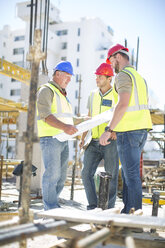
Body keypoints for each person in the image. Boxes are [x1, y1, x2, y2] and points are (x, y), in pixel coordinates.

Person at [100, 44, 152, 214]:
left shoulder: (123, 76)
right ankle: (128, 210)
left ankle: (135, 214)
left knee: (131, 176)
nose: (110, 65)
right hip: (141, 130)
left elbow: (123, 105)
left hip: (129, 131)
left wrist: (109, 129)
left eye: (111, 60)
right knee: (131, 176)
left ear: (118, 57)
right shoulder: (139, 77)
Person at [36, 61, 78, 210]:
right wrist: (65, 127)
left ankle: (53, 205)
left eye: (70, 77)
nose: (69, 79)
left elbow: (67, 118)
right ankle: (50, 208)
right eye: (67, 76)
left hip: (63, 139)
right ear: (58, 74)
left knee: (60, 178)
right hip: (51, 139)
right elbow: (45, 115)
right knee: (52, 176)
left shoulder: (62, 95)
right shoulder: (46, 90)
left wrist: (83, 121)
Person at [80, 63, 119, 210]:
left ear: (109, 78)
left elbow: (121, 114)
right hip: (93, 141)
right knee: (85, 174)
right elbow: (89, 117)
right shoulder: (92, 94)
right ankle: (93, 205)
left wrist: (116, 131)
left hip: (110, 141)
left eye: (100, 76)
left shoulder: (116, 94)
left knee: (111, 176)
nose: (97, 79)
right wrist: (83, 137)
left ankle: (109, 209)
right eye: (96, 76)